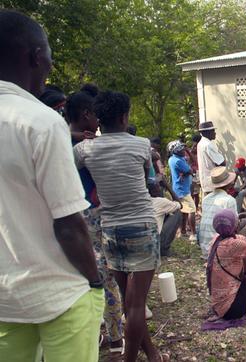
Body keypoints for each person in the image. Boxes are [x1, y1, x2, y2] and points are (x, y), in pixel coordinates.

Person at [0, 10, 103, 362]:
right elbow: (69, 225)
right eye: (48, 55)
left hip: (4, 300)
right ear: (35, 56)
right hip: (59, 292)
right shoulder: (40, 123)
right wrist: (94, 280)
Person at [73, 90, 168, 362]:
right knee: (136, 304)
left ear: (99, 118)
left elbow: (69, 162)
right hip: (141, 226)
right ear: (125, 117)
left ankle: (151, 352)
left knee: (129, 301)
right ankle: (129, 358)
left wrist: (80, 137)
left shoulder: (84, 150)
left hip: (110, 230)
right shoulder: (140, 145)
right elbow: (149, 177)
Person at [67, 85, 125, 354]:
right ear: (86, 113)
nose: (98, 122)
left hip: (71, 219)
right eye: (95, 116)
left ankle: (97, 335)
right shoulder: (84, 146)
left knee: (86, 278)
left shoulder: (65, 141)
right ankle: (114, 338)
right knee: (106, 276)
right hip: (93, 214)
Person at [199, 167, 246, 257]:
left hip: (205, 249)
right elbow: (235, 227)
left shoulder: (206, 199)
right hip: (219, 249)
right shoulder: (229, 200)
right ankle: (239, 254)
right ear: (229, 184)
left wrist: (243, 215)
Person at [168, 140, 197, 241]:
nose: (183, 151)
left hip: (179, 188)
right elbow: (190, 170)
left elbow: (191, 164)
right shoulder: (178, 161)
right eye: (180, 149)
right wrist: (188, 172)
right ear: (175, 151)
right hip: (182, 190)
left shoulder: (173, 158)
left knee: (184, 211)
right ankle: (193, 234)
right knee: (192, 210)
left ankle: (182, 232)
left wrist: (188, 150)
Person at [148, 181, 182, 257]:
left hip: (142, 242)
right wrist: (168, 187)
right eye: (159, 187)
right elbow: (180, 205)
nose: (161, 189)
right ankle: (164, 249)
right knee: (177, 213)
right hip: (154, 242)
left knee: (167, 213)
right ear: (155, 191)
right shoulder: (160, 201)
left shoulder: (142, 201)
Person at [197, 121, 226, 196]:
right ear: (207, 132)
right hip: (213, 181)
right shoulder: (208, 145)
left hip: (205, 181)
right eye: (213, 131)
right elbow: (221, 162)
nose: (215, 133)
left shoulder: (200, 143)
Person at [190, 134, 202, 211]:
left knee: (195, 193)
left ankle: (195, 208)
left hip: (197, 172)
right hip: (195, 171)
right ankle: (194, 209)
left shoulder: (199, 148)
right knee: (193, 193)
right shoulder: (194, 149)